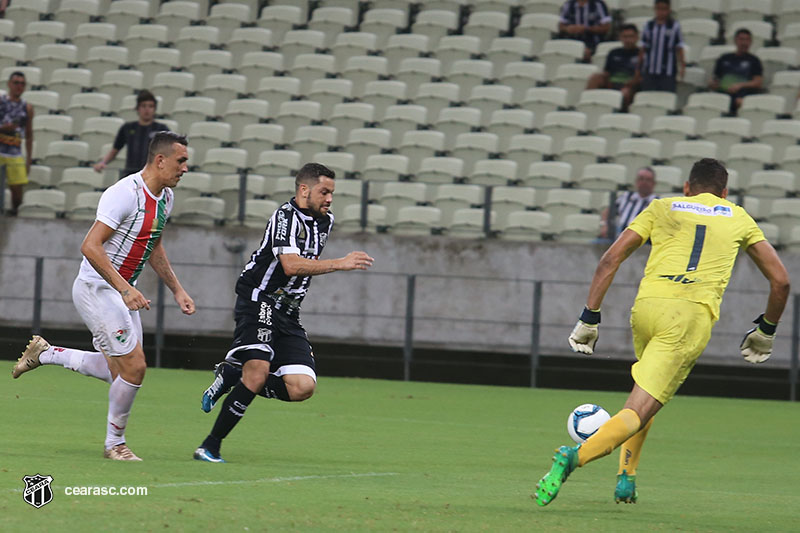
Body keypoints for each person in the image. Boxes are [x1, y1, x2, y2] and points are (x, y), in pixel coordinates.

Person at [533, 158, 790, 506]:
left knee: (646, 394)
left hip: (647, 308)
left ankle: (627, 476)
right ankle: (575, 457)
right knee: (639, 408)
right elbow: (781, 281)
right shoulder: (738, 216)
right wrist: (767, 330)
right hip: (688, 318)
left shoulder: (661, 207)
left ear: (687, 188)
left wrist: (589, 317)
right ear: (724, 193)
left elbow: (610, 258)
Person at [12, 131, 196, 461]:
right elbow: (90, 245)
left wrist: (177, 289)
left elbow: (153, 245)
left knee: (119, 371)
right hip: (96, 289)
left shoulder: (166, 197)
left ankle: (47, 353)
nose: (185, 168)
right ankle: (115, 444)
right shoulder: (124, 193)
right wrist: (125, 288)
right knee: (135, 368)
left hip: (121, 292)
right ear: (160, 160)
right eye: (181, 161)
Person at [192, 162, 374, 463]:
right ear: (304, 190)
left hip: (288, 312)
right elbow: (291, 264)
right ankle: (210, 446)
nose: (329, 199)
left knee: (303, 387)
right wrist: (340, 263)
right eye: (324, 192)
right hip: (258, 298)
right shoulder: (285, 218)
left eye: (332, 193)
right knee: (259, 371)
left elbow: (303, 266)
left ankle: (232, 374)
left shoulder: (325, 221)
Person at [93, 90, 169, 179]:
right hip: (130, 174)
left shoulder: (161, 129)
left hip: (153, 175)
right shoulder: (127, 128)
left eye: (150, 106)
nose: (147, 109)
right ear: (137, 108)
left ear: (154, 109)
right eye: (143, 106)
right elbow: (115, 150)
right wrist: (103, 163)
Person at [586, 23, 641, 110]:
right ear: (620, 38)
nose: (628, 40)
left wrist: (629, 85)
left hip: (629, 86)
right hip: (612, 82)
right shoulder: (614, 53)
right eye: (625, 37)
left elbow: (640, 76)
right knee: (595, 77)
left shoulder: (640, 54)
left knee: (625, 93)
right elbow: (607, 72)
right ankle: (588, 105)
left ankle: (621, 113)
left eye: (631, 36)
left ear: (637, 37)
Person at [0, 71, 33, 215]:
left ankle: (13, 215)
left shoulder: (27, 107)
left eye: (22, 83)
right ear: (9, 84)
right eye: (16, 83)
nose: (19, 86)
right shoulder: (1, 102)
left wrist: (29, 159)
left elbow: (30, 134)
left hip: (15, 152)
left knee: (18, 192)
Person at [709, 28, 763, 114]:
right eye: (741, 39)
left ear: (751, 42)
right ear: (735, 41)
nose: (744, 43)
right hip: (723, 92)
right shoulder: (724, 58)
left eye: (747, 40)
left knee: (739, 101)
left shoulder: (754, 60)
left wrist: (740, 85)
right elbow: (716, 78)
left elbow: (758, 82)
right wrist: (713, 84)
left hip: (742, 94)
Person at [636, 0, 686, 93]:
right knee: (648, 95)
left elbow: (679, 48)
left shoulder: (674, 26)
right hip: (650, 70)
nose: (661, 12)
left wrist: (682, 68)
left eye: (664, 9)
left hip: (668, 71)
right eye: (658, 9)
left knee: (666, 96)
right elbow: (643, 49)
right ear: (655, 9)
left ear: (669, 10)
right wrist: (638, 68)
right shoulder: (649, 26)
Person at [599, 166, 657, 241]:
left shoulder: (656, 202)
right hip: (618, 238)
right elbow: (607, 212)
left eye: (648, 180)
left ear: (654, 183)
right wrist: (604, 225)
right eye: (641, 179)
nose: (644, 182)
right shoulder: (626, 196)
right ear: (636, 181)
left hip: (642, 241)